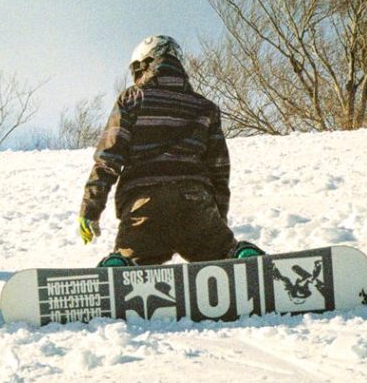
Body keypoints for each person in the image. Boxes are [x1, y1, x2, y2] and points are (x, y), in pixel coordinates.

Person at [78, 35, 263, 266]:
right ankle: (239, 257)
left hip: (144, 206)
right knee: (222, 255)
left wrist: (90, 209)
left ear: (142, 65)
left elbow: (109, 159)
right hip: (195, 204)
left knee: (133, 261)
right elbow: (219, 170)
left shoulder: (132, 99)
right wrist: (217, 219)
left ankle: (122, 265)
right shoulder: (205, 108)